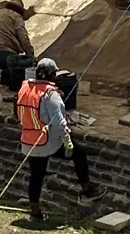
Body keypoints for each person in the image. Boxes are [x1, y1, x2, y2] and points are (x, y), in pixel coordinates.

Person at [15, 58, 106, 222]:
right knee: (78, 154)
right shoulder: (51, 95)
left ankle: (34, 213)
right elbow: (59, 123)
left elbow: (17, 113)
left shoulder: (24, 89)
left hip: (28, 140)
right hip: (47, 142)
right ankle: (87, 190)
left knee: (36, 176)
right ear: (52, 74)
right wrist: (67, 142)